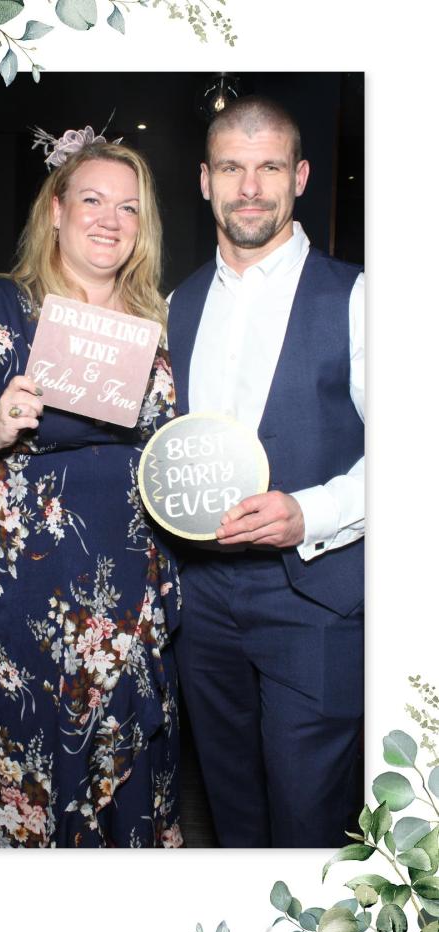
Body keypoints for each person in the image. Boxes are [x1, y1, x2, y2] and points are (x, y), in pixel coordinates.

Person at [0, 128, 182, 848]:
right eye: (92, 200)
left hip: (131, 593)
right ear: (55, 210)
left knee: (126, 778)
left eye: (128, 207)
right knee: (26, 770)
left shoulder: (160, 322)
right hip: (30, 594)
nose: (110, 220)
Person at [167, 96, 364, 848]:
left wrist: (310, 513)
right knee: (232, 809)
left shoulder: (358, 296)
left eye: (269, 167)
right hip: (201, 599)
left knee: (310, 816)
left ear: (300, 177)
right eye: (231, 168)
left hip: (315, 597)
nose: (249, 188)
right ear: (204, 181)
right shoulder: (176, 304)